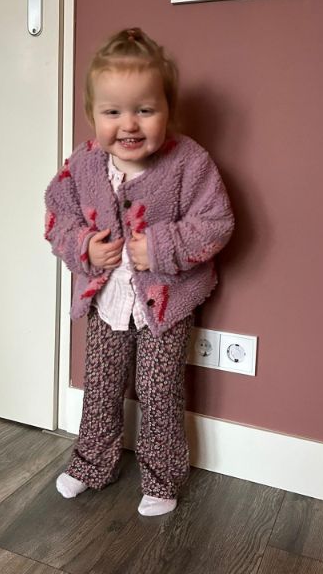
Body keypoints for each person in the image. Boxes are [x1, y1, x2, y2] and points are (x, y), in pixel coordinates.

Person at [44, 27, 234, 516]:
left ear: (168, 110)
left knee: (157, 389)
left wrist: (163, 247)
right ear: (93, 114)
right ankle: (92, 464)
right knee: (101, 385)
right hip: (106, 301)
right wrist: (85, 247)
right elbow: (57, 217)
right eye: (113, 112)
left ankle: (162, 477)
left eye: (145, 110)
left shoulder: (189, 163)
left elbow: (217, 223)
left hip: (163, 305)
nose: (129, 124)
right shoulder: (82, 165)